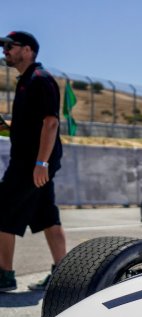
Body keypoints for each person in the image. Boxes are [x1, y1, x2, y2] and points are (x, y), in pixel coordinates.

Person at [0, 31, 66, 292]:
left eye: (9, 46)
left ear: (27, 50)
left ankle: (4, 275)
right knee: (46, 215)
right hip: (32, 161)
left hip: (31, 163)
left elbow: (50, 123)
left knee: (2, 210)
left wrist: (41, 164)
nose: (4, 51)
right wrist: (4, 127)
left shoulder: (40, 80)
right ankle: (64, 275)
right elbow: (27, 126)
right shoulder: (26, 81)